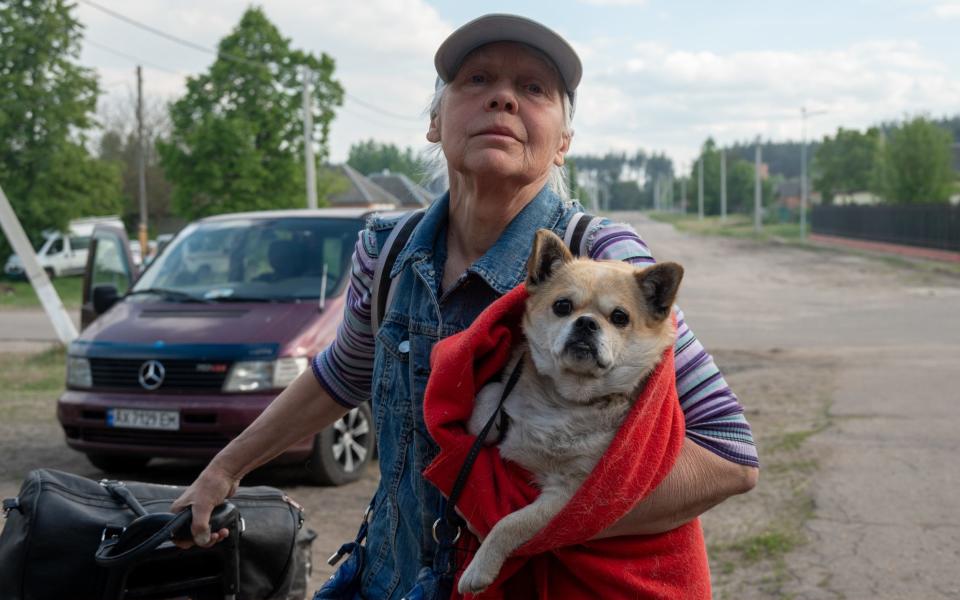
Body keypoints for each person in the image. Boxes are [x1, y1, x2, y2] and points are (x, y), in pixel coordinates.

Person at [171, 13, 759, 598]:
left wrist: (534, 523)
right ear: (435, 120)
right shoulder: (387, 249)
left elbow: (728, 454)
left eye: (533, 89)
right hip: (388, 579)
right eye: (477, 79)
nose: (503, 97)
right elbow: (342, 375)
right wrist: (225, 468)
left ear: (563, 143)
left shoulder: (606, 262)